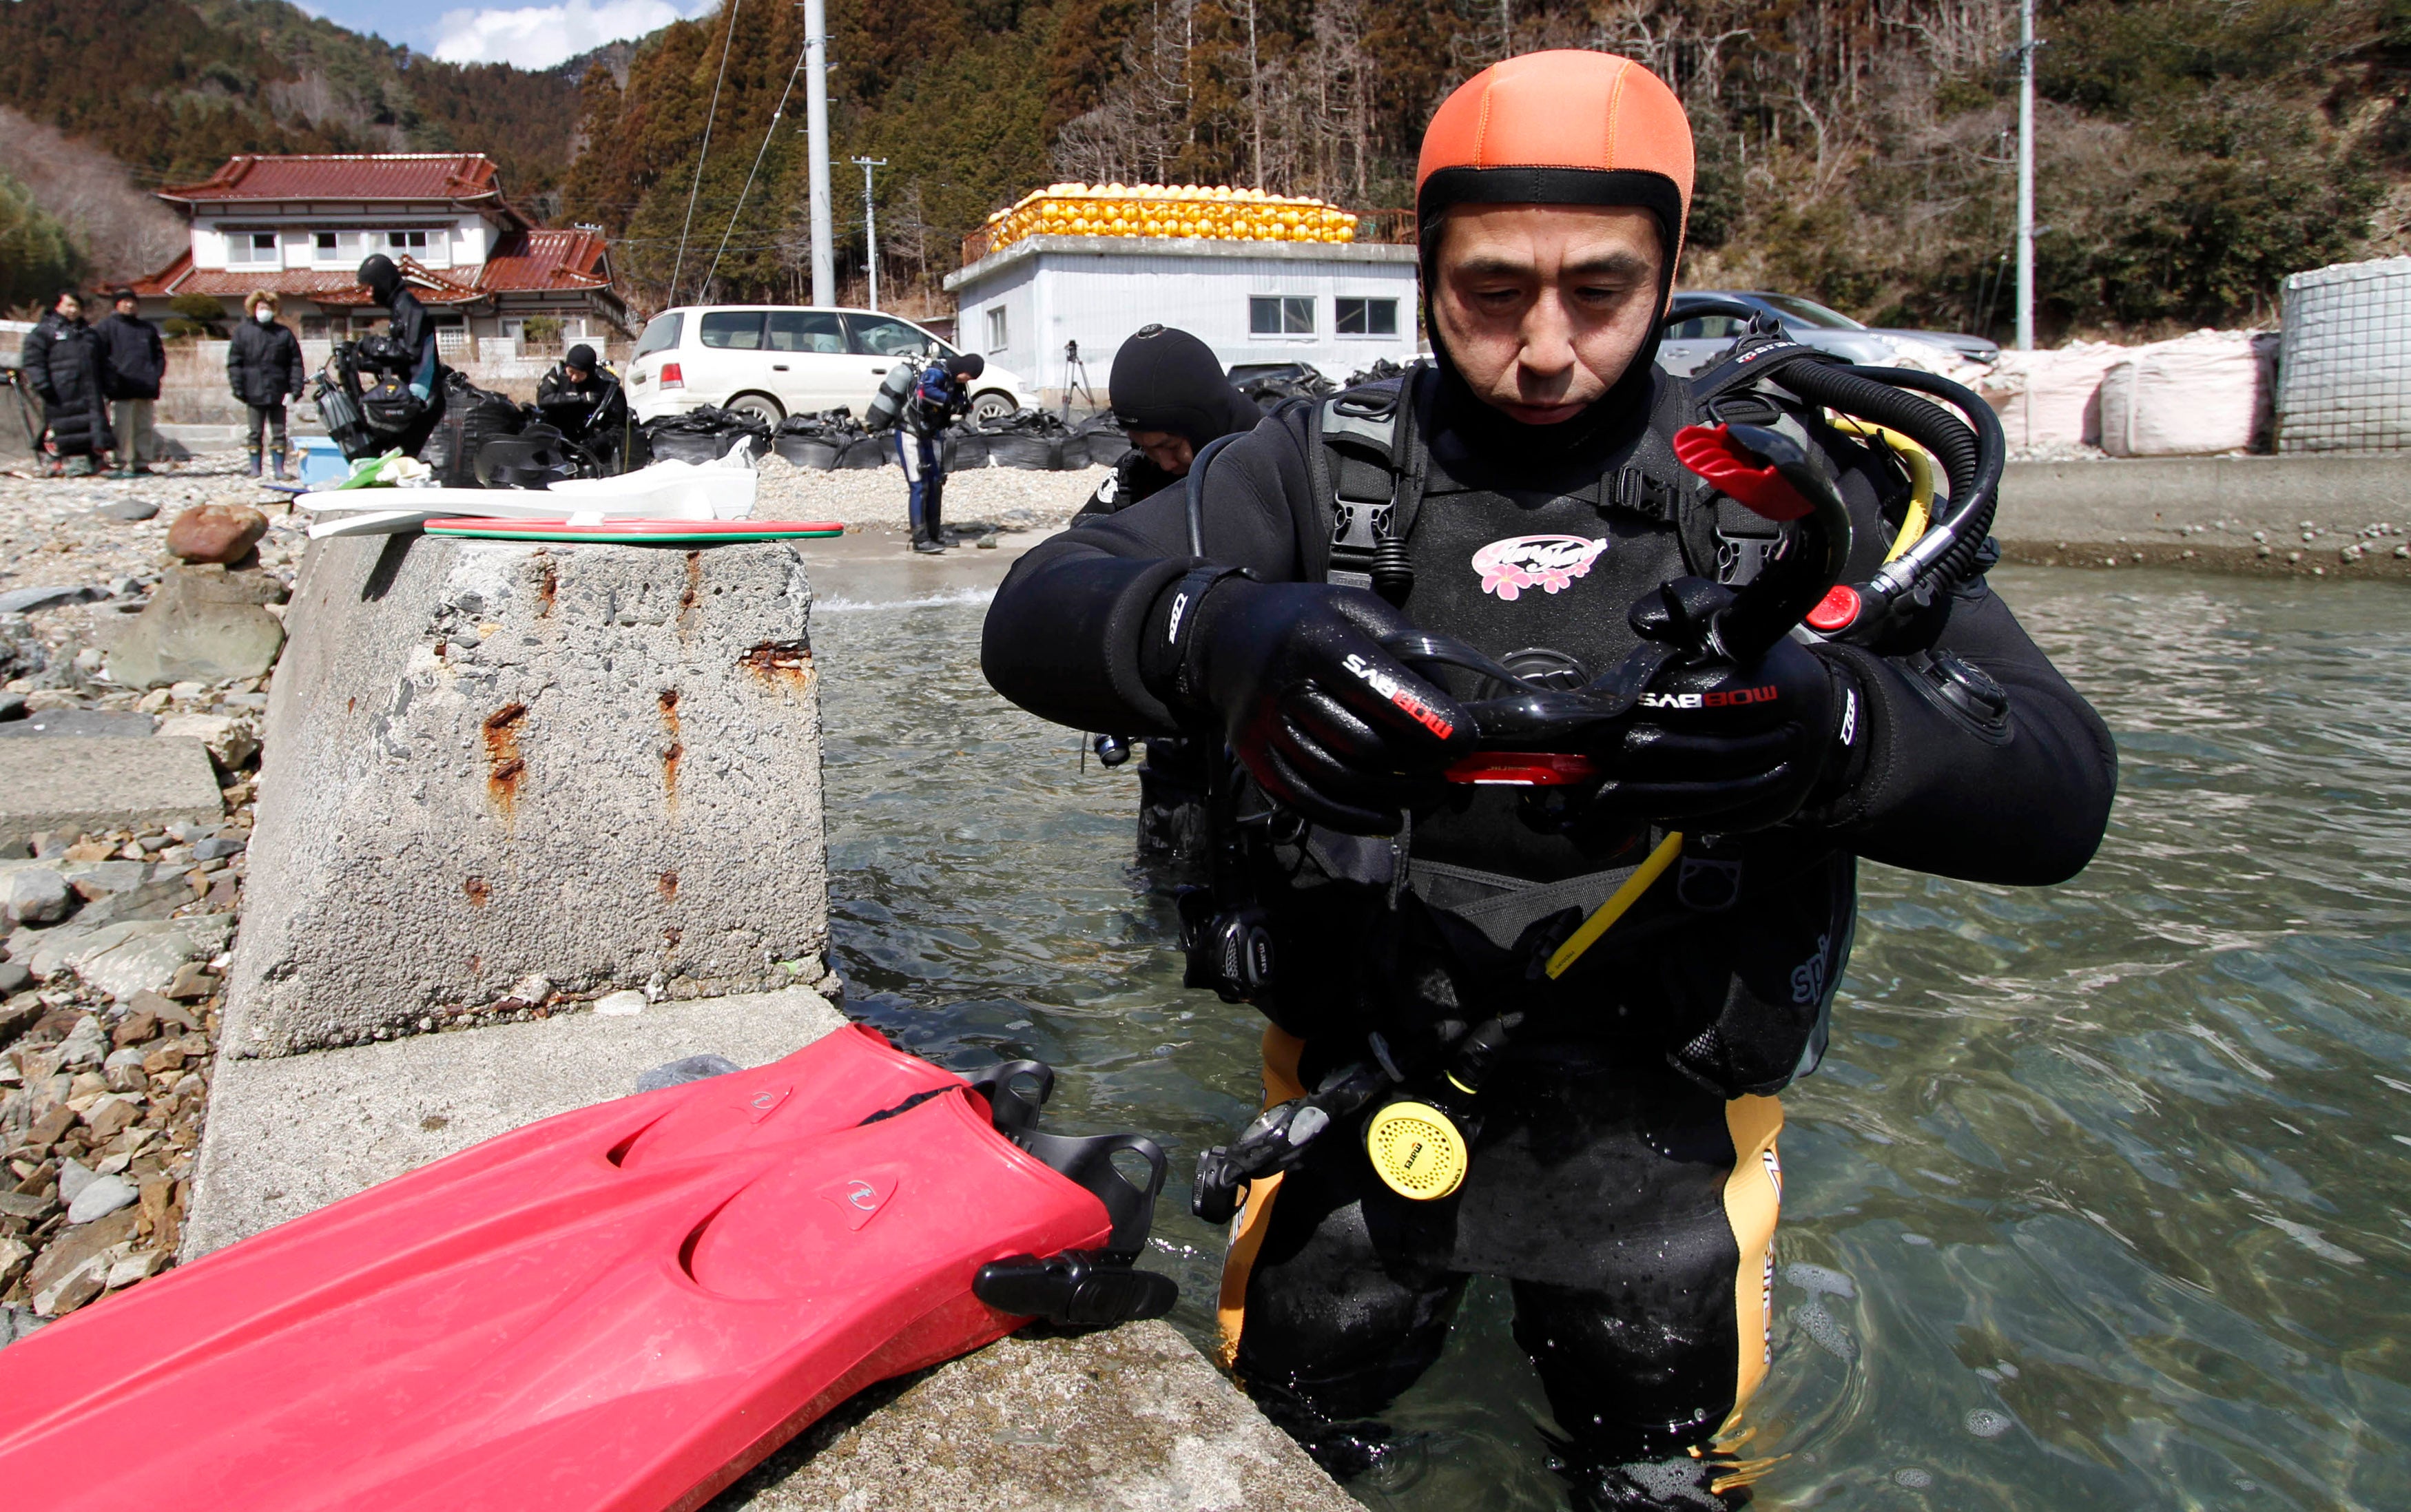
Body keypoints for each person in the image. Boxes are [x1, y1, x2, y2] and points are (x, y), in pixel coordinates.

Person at [980, 50, 2117, 1510]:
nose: (1541, 348)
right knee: (1291, 1447)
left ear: (1673, 267)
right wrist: (1226, 634)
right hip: (1356, 1094)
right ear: (1424, 263)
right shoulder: (1313, 471)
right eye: (1490, 289)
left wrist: (1837, 732)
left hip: (1673, 1134)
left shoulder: (1786, 495)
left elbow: (2063, 791)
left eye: (1599, 289)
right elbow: (1035, 610)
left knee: (1655, 1467)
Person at [1074, 324, 1264, 521]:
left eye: (1170, 446)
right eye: (1145, 447)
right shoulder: (1137, 473)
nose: (1165, 464)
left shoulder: (1276, 465)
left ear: (1207, 426)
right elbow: (1079, 539)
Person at [356, 253, 446, 457]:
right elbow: (399, 358)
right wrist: (363, 362)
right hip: (414, 390)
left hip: (422, 395)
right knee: (395, 451)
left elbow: (408, 352)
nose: (369, 294)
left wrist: (371, 345)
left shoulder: (409, 307)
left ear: (382, 282)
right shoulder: (399, 306)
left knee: (400, 454)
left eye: (370, 287)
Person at [19, 290, 114, 478]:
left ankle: (96, 460)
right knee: (63, 427)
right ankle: (60, 461)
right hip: (60, 389)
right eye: (69, 305)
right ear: (57, 306)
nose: (73, 310)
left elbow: (104, 361)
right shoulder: (43, 332)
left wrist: (109, 384)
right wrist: (42, 384)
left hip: (90, 389)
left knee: (92, 425)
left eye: (77, 306)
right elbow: (33, 361)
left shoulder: (88, 333)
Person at [897, 351, 982, 555]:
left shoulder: (953, 380)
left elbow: (954, 401)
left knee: (935, 482)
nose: (968, 380)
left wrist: (960, 404)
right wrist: (949, 402)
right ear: (963, 371)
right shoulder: (936, 373)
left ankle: (935, 533)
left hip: (926, 434)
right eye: (969, 376)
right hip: (909, 433)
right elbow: (925, 392)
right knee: (919, 486)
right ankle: (920, 539)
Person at [227, 291, 304, 479]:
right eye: (261, 307)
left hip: (279, 390)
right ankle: (255, 468)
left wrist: (295, 389)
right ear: (253, 309)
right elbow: (234, 362)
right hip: (252, 391)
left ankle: (279, 469)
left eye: (268, 308)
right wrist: (238, 388)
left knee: (279, 432)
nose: (264, 311)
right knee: (255, 431)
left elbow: (295, 363)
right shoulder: (243, 333)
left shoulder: (284, 334)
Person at [94, 289, 167, 478]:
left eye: (133, 301)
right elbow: (99, 358)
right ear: (116, 304)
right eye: (125, 301)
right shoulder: (106, 327)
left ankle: (142, 462)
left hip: (145, 386)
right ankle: (119, 462)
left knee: (144, 426)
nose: (130, 305)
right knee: (121, 427)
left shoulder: (147, 329)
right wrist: (109, 380)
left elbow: (159, 354)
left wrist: (155, 374)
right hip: (120, 387)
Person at [535, 342, 631, 470]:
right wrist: (578, 399)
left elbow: (617, 427)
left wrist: (596, 444)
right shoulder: (557, 374)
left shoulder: (606, 387)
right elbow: (543, 400)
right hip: (558, 439)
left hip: (589, 444)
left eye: (580, 374)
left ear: (589, 373)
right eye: (571, 372)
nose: (574, 378)